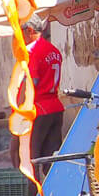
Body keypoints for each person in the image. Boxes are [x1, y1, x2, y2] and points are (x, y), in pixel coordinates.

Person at [23, 14, 66, 160]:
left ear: (29, 30)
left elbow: (32, 82)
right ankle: (55, 183)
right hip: (56, 108)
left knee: (31, 158)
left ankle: (32, 184)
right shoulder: (54, 50)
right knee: (52, 158)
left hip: (39, 109)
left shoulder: (31, 51)